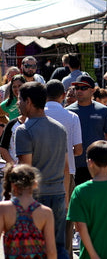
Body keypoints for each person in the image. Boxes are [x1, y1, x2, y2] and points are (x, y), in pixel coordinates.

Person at [15, 82, 69, 259]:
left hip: (35, 197)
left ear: (28, 101)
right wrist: (65, 195)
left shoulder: (24, 130)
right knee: (58, 246)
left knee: (35, 247)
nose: (18, 104)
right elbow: (66, 166)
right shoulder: (60, 128)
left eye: (20, 100)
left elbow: (26, 171)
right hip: (59, 193)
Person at [67, 141, 107, 259]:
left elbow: (80, 226)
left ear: (90, 162)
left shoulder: (80, 191)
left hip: (89, 256)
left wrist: (93, 255)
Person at [66, 75, 107, 185]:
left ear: (92, 90)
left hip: (99, 165)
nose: (79, 91)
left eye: (83, 88)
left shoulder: (103, 111)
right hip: (74, 167)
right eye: (77, 88)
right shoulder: (67, 112)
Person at [1, 164, 56, 259]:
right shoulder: (46, 213)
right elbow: (51, 251)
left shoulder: (4, 209)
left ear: (13, 186)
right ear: (35, 184)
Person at [44, 80, 83, 202]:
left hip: (42, 170)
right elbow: (78, 150)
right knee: (65, 211)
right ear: (64, 95)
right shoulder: (72, 117)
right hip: (67, 170)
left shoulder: (36, 115)